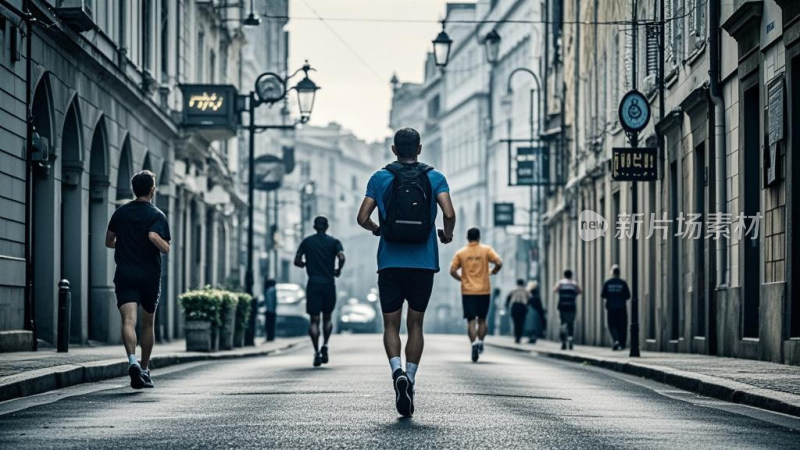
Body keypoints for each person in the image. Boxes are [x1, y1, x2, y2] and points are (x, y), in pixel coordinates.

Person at [357, 127, 456, 417]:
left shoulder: (380, 177)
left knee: (390, 325)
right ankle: (410, 380)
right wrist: (446, 236)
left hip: (390, 262)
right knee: (415, 324)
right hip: (423, 264)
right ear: (420, 149)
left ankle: (396, 370)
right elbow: (449, 214)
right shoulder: (434, 177)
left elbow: (362, 217)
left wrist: (379, 229)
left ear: (393, 149)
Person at [105, 170, 171, 389]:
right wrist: (155, 239)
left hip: (125, 273)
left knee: (128, 321)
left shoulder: (120, 212)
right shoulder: (157, 215)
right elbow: (163, 247)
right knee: (147, 323)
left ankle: (132, 360)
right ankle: (144, 369)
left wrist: (124, 245)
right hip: (149, 276)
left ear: (134, 189)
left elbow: (108, 241)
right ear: (152, 189)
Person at [294, 216, 345, 367]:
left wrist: (305, 264)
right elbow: (341, 257)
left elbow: (296, 261)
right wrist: (338, 269)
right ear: (327, 227)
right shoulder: (334, 242)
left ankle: (316, 352)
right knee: (327, 318)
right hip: (329, 283)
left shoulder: (307, 242)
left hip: (313, 284)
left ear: (314, 227)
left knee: (314, 320)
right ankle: (325, 345)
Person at [450, 227, 502, 362]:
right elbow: (498, 262)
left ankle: (473, 343)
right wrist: (494, 271)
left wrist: (462, 279)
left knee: (471, 320)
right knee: (483, 319)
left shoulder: (461, 253)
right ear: (479, 237)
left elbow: (452, 270)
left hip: (467, 291)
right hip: (484, 290)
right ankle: (480, 342)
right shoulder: (486, 250)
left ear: (467, 238)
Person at [601, 264, 631, 350]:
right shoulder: (623, 283)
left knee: (612, 325)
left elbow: (603, 295)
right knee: (622, 325)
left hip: (611, 307)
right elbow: (628, 295)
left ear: (612, 273)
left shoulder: (608, 283)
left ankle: (616, 340)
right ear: (619, 273)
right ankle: (622, 343)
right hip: (621, 307)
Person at [552, 270, 581, 350]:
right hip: (571, 306)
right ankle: (570, 339)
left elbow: (555, 290)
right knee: (570, 324)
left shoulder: (561, 283)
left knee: (562, 323)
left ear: (564, 275)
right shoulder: (574, 283)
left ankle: (563, 342)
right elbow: (579, 291)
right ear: (571, 275)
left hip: (562, 306)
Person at [506, 280, 529, 344]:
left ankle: (516, 337)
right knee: (521, 323)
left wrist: (507, 307)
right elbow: (528, 299)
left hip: (515, 306)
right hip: (522, 307)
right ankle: (519, 337)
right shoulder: (526, 291)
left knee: (515, 323)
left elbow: (508, 299)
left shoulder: (513, 290)